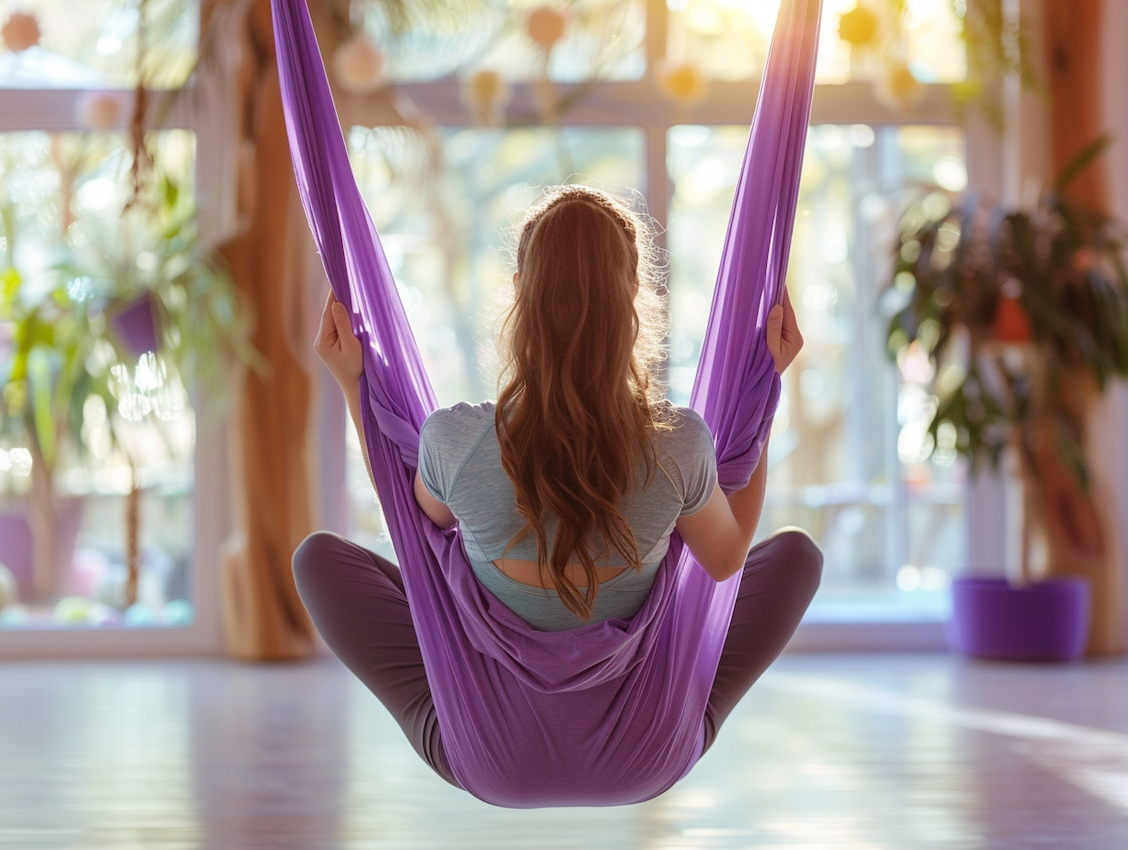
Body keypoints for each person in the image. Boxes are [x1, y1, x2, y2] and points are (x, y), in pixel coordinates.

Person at [293, 185, 822, 788]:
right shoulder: (679, 446)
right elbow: (725, 561)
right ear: (632, 297)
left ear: (520, 291)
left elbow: (416, 533)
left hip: (492, 759)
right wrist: (765, 393)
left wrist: (353, 385)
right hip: (646, 754)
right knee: (797, 556)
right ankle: (679, 708)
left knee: (320, 560)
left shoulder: (456, 443)